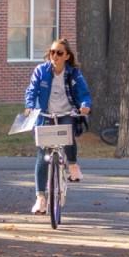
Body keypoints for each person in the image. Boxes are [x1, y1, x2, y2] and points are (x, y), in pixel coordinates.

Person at [24, 38, 92, 214]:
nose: (55, 56)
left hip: (66, 113)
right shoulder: (41, 71)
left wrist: (85, 105)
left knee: (67, 134)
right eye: (52, 52)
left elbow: (83, 93)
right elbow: (32, 90)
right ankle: (40, 198)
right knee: (42, 153)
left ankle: (73, 165)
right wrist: (30, 106)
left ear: (67, 56)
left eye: (59, 53)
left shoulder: (73, 74)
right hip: (45, 115)